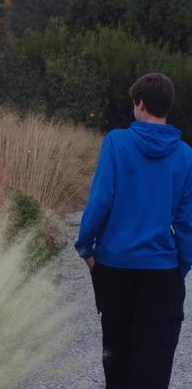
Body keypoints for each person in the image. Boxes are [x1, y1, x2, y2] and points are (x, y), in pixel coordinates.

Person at [74, 72, 192, 389]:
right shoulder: (186, 155)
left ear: (139, 104)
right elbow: (186, 222)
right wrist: (180, 266)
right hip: (161, 272)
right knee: (154, 367)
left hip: (114, 269)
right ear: (166, 107)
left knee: (118, 361)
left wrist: (86, 248)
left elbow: (100, 201)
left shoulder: (117, 142)